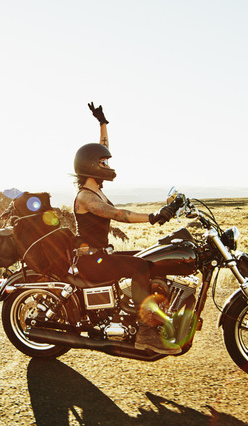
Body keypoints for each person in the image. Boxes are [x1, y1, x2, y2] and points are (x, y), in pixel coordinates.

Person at [73, 102, 179, 354]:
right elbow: (118, 214)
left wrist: (103, 123)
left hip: (102, 255)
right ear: (91, 166)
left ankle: (155, 312)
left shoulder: (95, 187)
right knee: (140, 266)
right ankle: (146, 332)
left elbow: (103, 148)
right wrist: (153, 217)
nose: (108, 165)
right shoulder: (86, 197)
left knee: (149, 260)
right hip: (91, 261)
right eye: (103, 163)